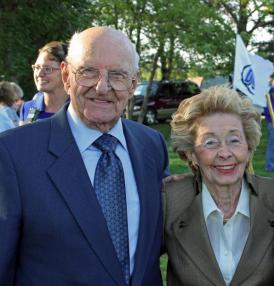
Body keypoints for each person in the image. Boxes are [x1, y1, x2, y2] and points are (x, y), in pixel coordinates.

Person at [0, 27, 169, 285]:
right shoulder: (13, 153)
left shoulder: (151, 145)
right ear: (66, 76)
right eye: (89, 71)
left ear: (133, 83)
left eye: (118, 75)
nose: (102, 87)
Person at [164, 85, 274, 286]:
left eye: (234, 140)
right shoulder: (170, 200)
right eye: (210, 142)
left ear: (248, 147)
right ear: (191, 154)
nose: (225, 152)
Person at [20, 41, 69, 124]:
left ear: (65, 72)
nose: (39, 74)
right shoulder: (30, 108)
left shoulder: (79, 109)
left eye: (47, 69)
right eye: (37, 67)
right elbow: (23, 137)